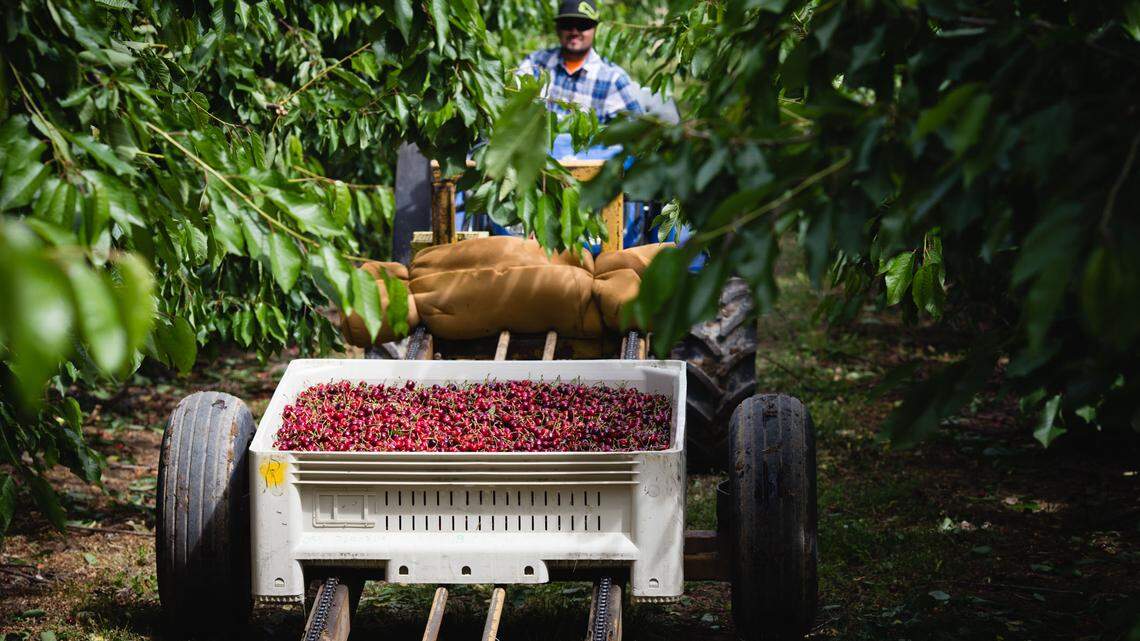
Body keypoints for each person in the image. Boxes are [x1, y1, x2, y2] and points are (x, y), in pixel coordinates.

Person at [517, 0, 644, 123]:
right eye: (567, 24)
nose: (574, 32)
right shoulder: (535, 62)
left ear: (595, 30)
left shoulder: (613, 79)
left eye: (582, 25)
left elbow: (636, 129)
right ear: (557, 29)